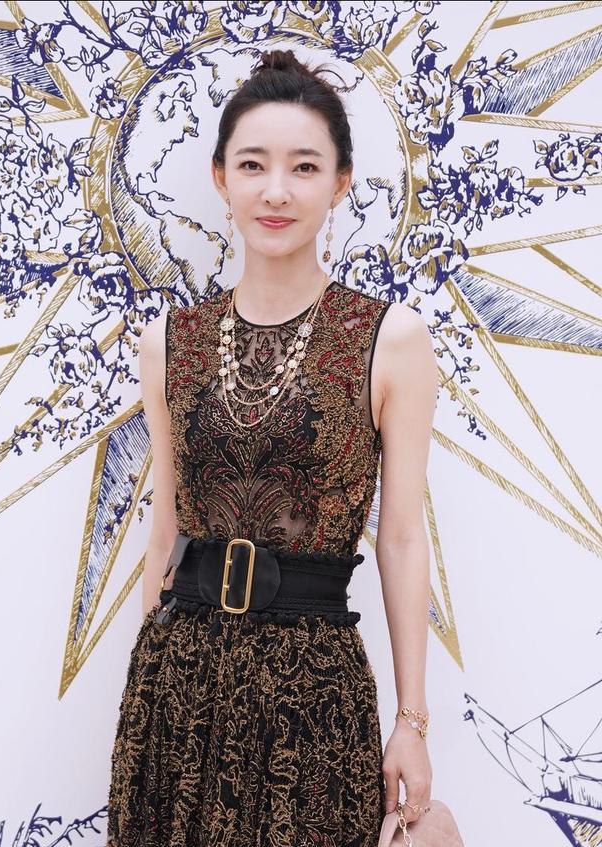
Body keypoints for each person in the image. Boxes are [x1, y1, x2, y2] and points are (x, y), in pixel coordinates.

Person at [107, 48, 439, 847]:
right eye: (253, 165)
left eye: (304, 166)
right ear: (221, 179)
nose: (277, 190)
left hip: (313, 693)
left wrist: (412, 720)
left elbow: (400, 539)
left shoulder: (390, 338)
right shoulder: (169, 342)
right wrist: (142, 695)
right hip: (178, 683)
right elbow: (164, 534)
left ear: (341, 183)